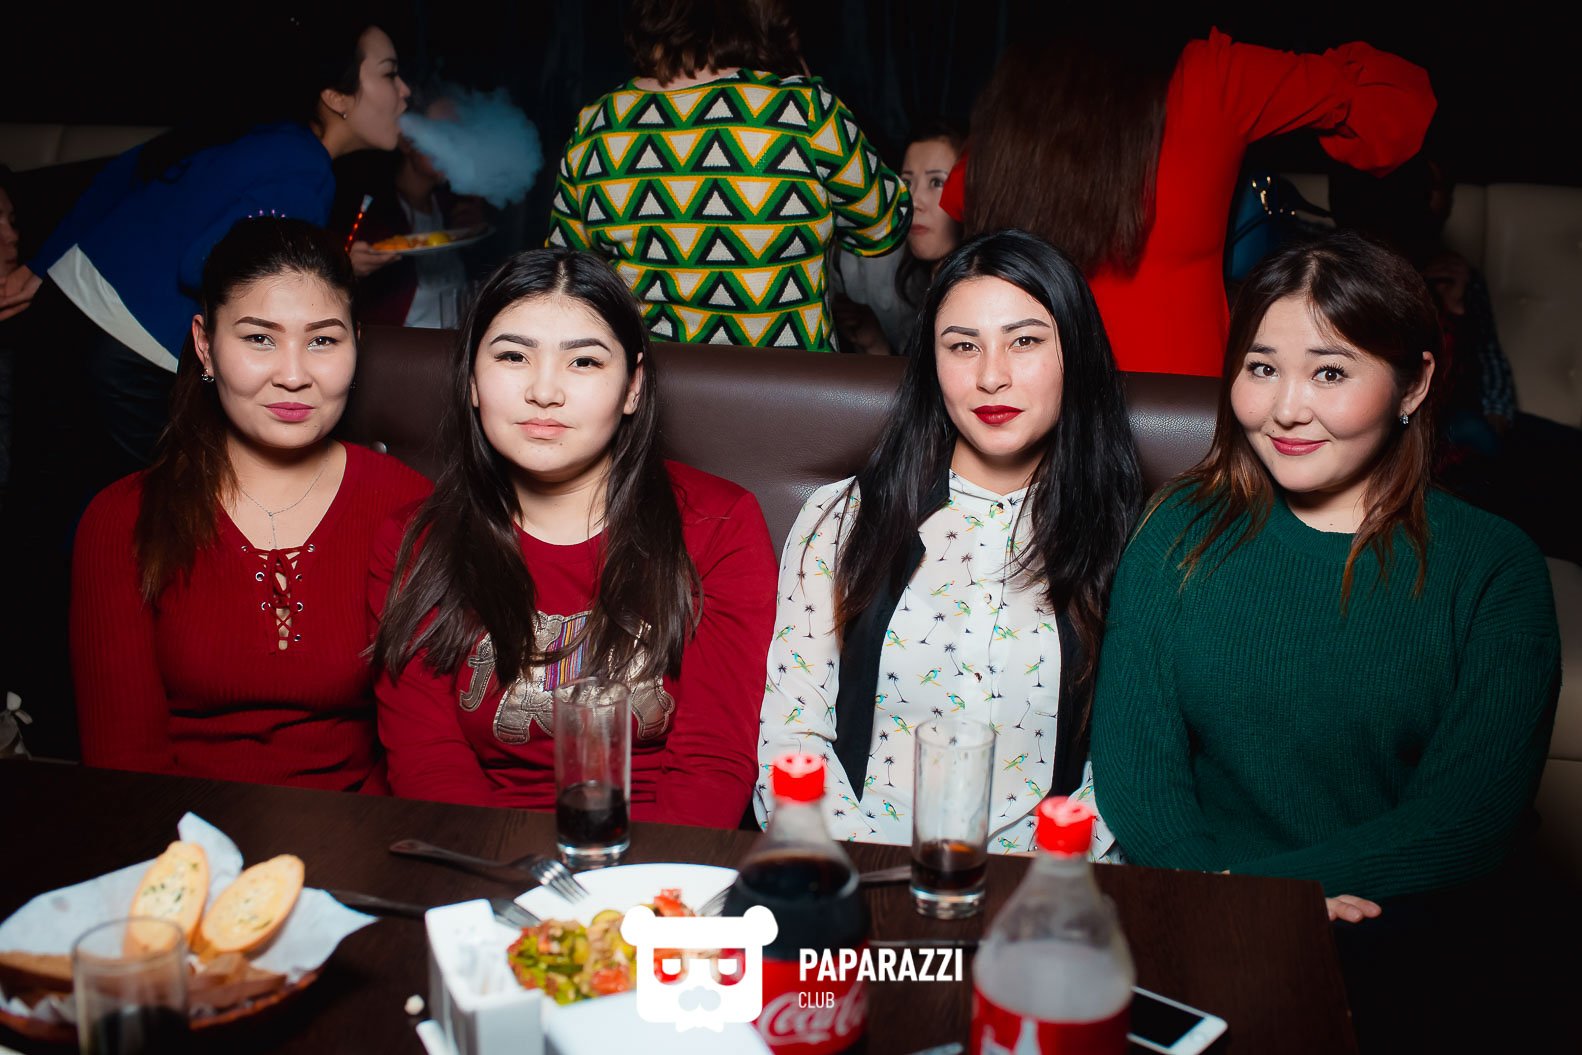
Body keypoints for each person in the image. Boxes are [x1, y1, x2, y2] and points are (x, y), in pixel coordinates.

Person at [1090, 231, 1560, 1049]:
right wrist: (1226, 899)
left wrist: (1274, 891)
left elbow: (1468, 816)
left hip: (1406, 932)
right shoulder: (1178, 529)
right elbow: (1138, 772)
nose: (1286, 408)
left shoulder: (1494, 567)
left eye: (1330, 372)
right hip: (1197, 909)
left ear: (1414, 383)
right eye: (1261, 367)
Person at [2, 14, 411, 759]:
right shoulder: (305, 166)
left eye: (324, 338)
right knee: (146, 541)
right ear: (337, 96)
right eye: (388, 73)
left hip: (68, 326)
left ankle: (32, 714)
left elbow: (126, 170)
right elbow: (212, 263)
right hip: (122, 359)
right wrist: (325, 262)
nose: (405, 91)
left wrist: (48, 263)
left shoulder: (268, 140)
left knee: (67, 530)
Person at [756, 229, 1143, 852]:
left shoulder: (1130, 538)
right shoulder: (843, 519)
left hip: (1041, 885)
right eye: (963, 346)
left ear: (1074, 352)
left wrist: (1038, 881)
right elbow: (792, 737)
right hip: (859, 867)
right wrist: (862, 871)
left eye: (1024, 341)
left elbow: (1130, 769)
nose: (991, 376)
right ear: (931, 364)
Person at [370, 248, 777, 828]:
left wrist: (644, 881)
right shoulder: (414, 540)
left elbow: (714, 760)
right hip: (479, 849)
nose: (544, 391)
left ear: (633, 387)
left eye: (583, 362)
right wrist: (509, 875)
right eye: (513, 356)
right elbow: (427, 760)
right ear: (472, 381)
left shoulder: (719, 523)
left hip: (665, 851)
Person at [70, 217, 431, 790]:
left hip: (365, 829)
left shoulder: (411, 507)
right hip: (175, 831)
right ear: (205, 346)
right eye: (260, 338)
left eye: (322, 340)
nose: (293, 375)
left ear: (356, 345)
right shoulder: (122, 519)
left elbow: (424, 748)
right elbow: (123, 770)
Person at [939, 20, 1435, 377]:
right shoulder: (1213, 76)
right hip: (1177, 414)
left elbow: (961, 199)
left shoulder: (1018, 91)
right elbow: (1394, 102)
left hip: (1032, 394)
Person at [546, 0, 909, 350]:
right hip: (789, 385)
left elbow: (564, 277)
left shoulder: (596, 126)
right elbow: (886, 225)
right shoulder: (803, 111)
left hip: (651, 384)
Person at [1329, 155, 1582, 565]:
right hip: (1417, 426)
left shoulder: (1454, 272)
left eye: (1439, 190)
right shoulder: (1348, 265)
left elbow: (1489, 363)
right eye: (1421, 190)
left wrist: (1457, 312)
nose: (1433, 200)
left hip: (1460, 417)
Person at [354, 98, 492, 328]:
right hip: (402, 342)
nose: (453, 148)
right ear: (407, 143)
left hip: (455, 335)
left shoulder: (451, 205)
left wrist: (476, 232)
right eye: (441, 134)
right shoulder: (376, 210)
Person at [832, 124, 964, 356]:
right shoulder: (925, 286)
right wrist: (875, 343)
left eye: (937, 183)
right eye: (907, 183)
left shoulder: (974, 298)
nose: (913, 200)